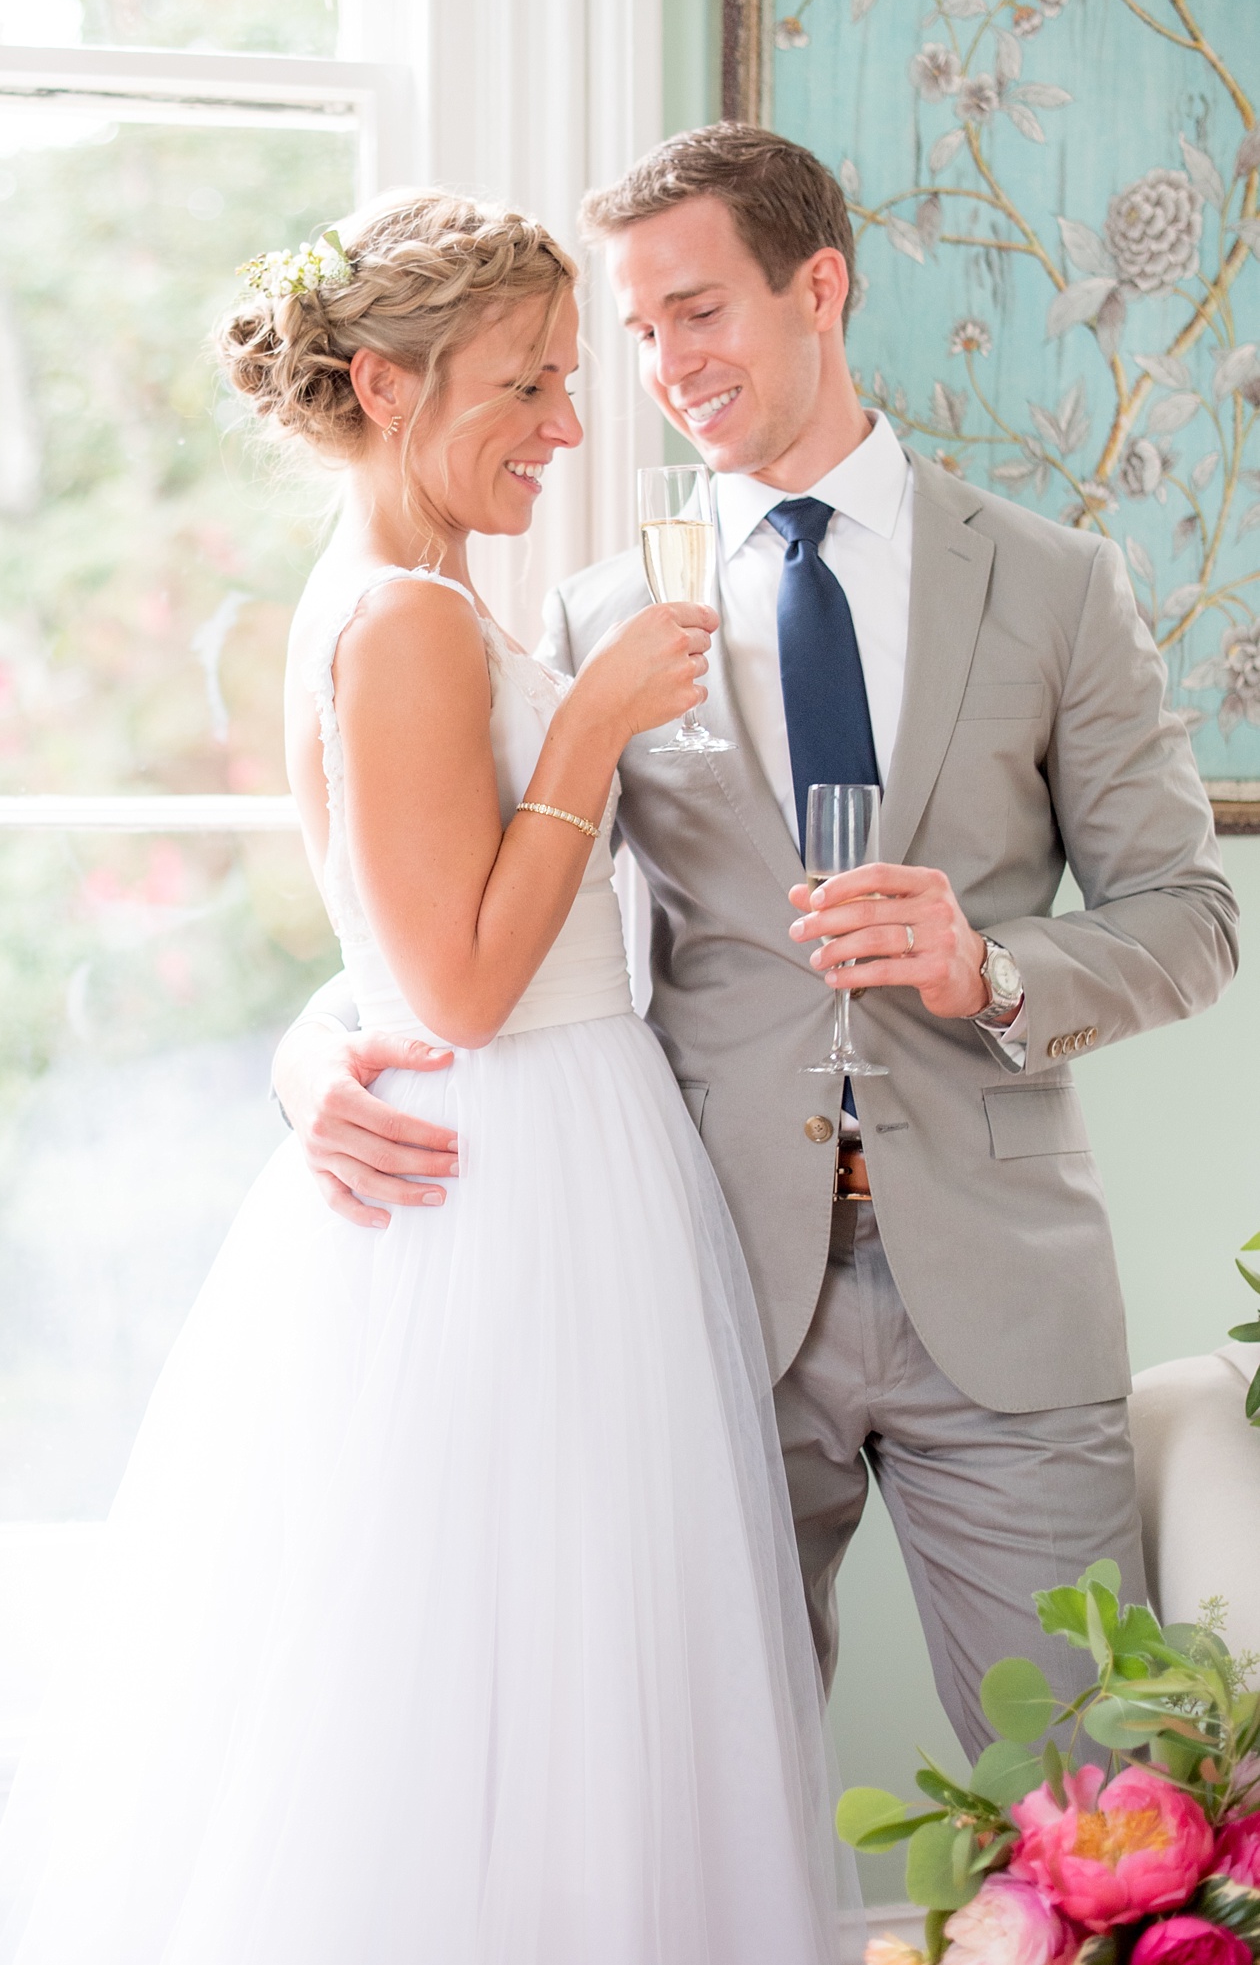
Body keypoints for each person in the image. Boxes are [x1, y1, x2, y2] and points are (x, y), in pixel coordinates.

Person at [0, 190, 871, 1965]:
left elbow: (379, 957)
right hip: (504, 1197)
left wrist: (314, 1038)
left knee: (542, 1739)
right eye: (524, 384)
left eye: (568, 382)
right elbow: (464, 984)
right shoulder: (410, 620)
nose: (565, 426)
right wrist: (587, 728)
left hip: (541, 1176)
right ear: (383, 382)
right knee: (491, 1736)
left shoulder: (417, 598)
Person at [275, 126, 1240, 1758]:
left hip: (1002, 1306)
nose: (663, 367)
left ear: (822, 286)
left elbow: (1194, 919)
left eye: (697, 312)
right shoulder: (585, 619)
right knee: (689, 1817)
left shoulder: (1059, 586)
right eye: (636, 332)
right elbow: (444, 898)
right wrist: (313, 1059)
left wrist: (993, 969)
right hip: (703, 1287)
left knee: (1106, 1797)